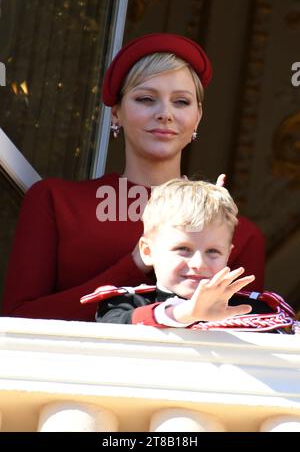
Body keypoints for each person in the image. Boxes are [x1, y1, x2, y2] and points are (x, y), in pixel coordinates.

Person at [2, 33, 265, 322]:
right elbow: (17, 320)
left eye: (181, 102)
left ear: (198, 117)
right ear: (116, 113)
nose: (165, 113)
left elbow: (245, 334)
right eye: (145, 99)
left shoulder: (238, 232)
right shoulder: (56, 201)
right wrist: (134, 264)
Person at [95, 178, 265, 327]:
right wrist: (184, 314)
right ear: (147, 252)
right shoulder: (121, 305)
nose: (199, 264)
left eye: (213, 251)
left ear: (228, 255)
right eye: (183, 249)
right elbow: (117, 327)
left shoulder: (252, 312)